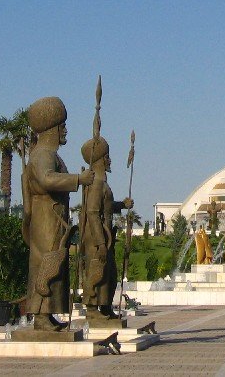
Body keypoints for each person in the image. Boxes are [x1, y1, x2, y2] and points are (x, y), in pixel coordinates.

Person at [21, 96, 93, 332]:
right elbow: (46, 179)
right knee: (46, 263)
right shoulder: (43, 154)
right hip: (46, 217)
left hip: (53, 218)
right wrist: (78, 179)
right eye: (62, 126)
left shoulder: (50, 154)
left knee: (54, 263)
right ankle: (40, 316)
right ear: (52, 128)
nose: (65, 131)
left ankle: (48, 313)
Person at [79, 134, 134, 320]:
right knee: (97, 271)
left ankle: (105, 306)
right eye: (107, 156)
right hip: (97, 237)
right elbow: (93, 213)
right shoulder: (95, 183)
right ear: (100, 159)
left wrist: (121, 205)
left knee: (109, 273)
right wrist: (100, 242)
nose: (110, 160)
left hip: (106, 235)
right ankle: (92, 308)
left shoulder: (103, 183)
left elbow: (107, 207)